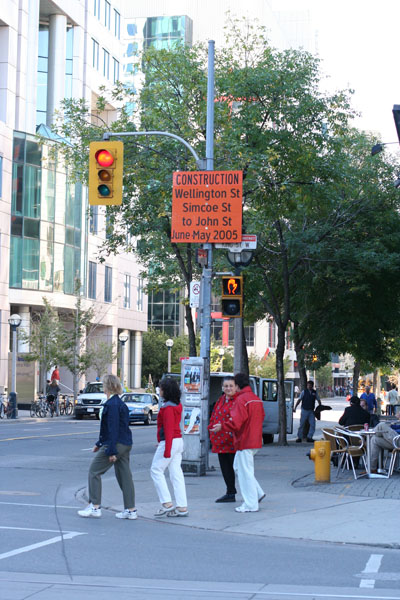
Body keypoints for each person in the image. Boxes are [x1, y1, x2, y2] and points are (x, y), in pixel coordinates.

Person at [78, 374, 136, 520]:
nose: (103, 387)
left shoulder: (112, 405)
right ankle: (131, 510)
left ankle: (95, 506)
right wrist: (99, 444)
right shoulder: (119, 403)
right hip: (125, 443)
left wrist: (111, 450)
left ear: (108, 386)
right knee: (124, 476)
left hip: (115, 444)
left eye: (104, 384)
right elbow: (117, 428)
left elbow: (113, 429)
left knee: (94, 471)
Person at [211, 372, 265, 513]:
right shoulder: (255, 398)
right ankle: (258, 493)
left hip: (244, 441)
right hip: (254, 440)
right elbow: (261, 417)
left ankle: (250, 504)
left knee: (244, 473)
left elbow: (236, 423)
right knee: (239, 468)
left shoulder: (241, 400)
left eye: (233, 385)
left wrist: (222, 426)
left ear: (238, 385)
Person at [150, 377, 188, 517]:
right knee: (176, 473)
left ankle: (167, 503)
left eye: (161, 387)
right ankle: (181, 506)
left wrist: (165, 448)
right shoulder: (177, 405)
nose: (159, 390)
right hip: (177, 441)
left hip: (170, 442)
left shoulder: (167, 408)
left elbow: (168, 429)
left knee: (156, 470)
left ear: (166, 390)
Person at [208, 376, 237, 503]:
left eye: (231, 386)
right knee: (226, 468)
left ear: (236, 387)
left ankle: (255, 493)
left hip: (233, 441)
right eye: (226, 386)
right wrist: (211, 427)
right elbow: (214, 415)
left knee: (239, 469)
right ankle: (230, 492)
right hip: (220, 440)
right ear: (222, 387)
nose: (228, 388)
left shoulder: (237, 401)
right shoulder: (221, 400)